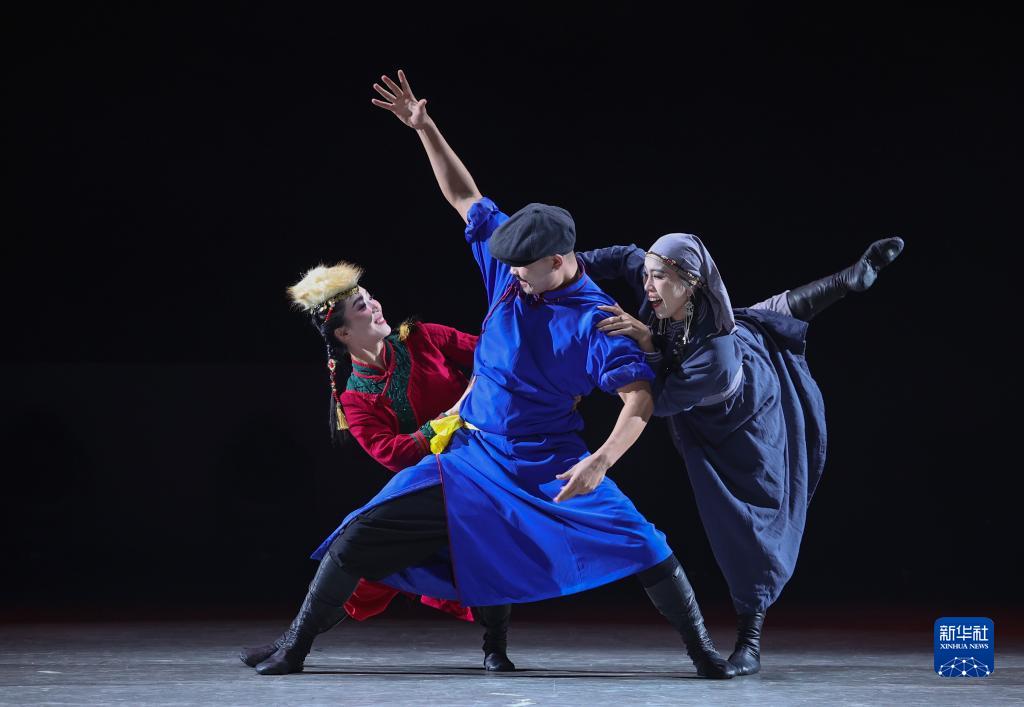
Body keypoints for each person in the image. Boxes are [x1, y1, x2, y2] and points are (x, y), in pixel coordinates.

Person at [243, 70, 737, 679]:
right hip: (472, 458)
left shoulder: (597, 322)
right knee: (356, 536)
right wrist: (424, 127)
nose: (513, 278)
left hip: (547, 464)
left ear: (558, 260)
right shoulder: (511, 269)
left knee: (646, 546)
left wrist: (600, 461)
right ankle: (294, 649)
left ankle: (705, 656)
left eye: (525, 270)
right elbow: (465, 197)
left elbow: (638, 399)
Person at [582, 232, 903, 674]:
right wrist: (566, 264)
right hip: (739, 340)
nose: (648, 286)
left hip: (744, 419)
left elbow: (662, 402)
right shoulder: (660, 280)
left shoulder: (715, 357)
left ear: (691, 283)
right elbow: (623, 256)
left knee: (752, 522)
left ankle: (750, 640)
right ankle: (849, 278)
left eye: (659, 278)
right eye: (647, 276)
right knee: (773, 311)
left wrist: (648, 343)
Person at [239, 263, 513, 670]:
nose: (376, 306)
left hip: (483, 466)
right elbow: (394, 453)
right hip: (429, 482)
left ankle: (496, 646)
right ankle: (293, 642)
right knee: (355, 555)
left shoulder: (423, 338)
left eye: (370, 298)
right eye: (362, 306)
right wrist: (450, 416)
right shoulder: (355, 398)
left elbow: (493, 357)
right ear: (344, 333)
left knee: (486, 548)